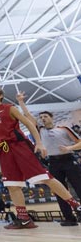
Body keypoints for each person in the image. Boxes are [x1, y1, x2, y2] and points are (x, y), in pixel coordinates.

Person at [0, 85, 81, 229]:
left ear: (0, 95)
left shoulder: (9, 108)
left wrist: (39, 142)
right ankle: (24, 219)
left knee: (45, 178)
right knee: (12, 186)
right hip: (4, 150)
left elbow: (29, 123)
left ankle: (76, 205)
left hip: (19, 146)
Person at [17, 92, 81, 226]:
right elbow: (28, 117)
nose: (43, 119)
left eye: (45, 116)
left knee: (78, 187)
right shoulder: (40, 130)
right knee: (59, 191)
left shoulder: (64, 129)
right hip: (53, 162)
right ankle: (69, 218)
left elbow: (79, 142)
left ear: (52, 117)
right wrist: (21, 102)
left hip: (68, 160)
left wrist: (69, 148)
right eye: (41, 117)